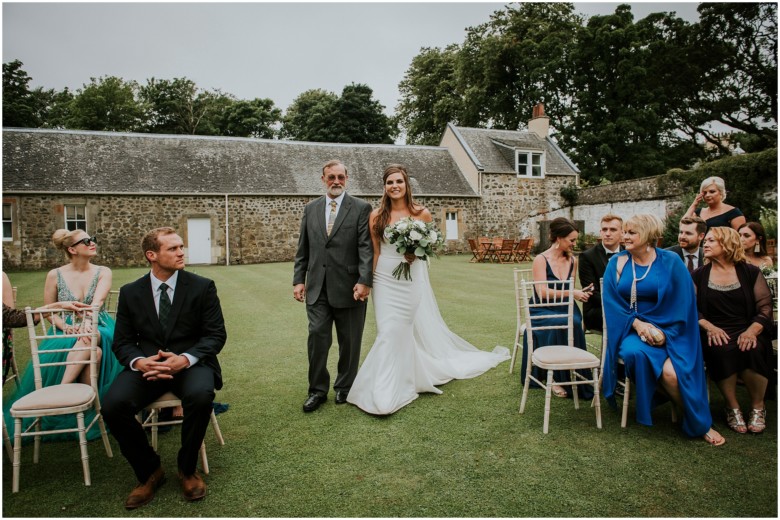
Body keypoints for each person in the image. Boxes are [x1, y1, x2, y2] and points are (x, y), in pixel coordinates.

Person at [347, 165, 509, 415]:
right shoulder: (376, 216)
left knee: (399, 331)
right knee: (388, 331)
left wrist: (415, 254)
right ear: (384, 186)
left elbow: (430, 247)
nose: (394, 186)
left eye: (398, 181)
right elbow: (376, 252)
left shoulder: (421, 214)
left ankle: (393, 387)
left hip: (410, 280)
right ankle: (389, 385)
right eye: (389, 182)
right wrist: (367, 281)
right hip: (384, 280)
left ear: (406, 184)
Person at [102, 227, 227, 509]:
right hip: (148, 368)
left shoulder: (202, 286)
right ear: (152, 255)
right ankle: (149, 471)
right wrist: (139, 361)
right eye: (173, 248)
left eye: (181, 246)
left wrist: (184, 359)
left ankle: (187, 468)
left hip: (191, 364)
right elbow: (122, 342)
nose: (181, 252)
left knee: (200, 395)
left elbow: (215, 335)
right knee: (112, 405)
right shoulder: (132, 292)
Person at [602, 214, 725, 446]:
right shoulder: (616, 263)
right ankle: (698, 421)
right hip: (632, 327)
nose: (624, 237)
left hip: (673, 328)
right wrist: (638, 325)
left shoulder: (671, 261)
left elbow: (685, 301)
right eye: (625, 232)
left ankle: (698, 422)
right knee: (634, 353)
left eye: (631, 232)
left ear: (647, 234)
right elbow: (612, 303)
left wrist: (665, 334)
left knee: (672, 373)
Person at [3, 230, 123, 442]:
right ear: (72, 249)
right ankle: (85, 406)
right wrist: (64, 326)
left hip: (98, 324)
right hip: (65, 328)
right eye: (86, 241)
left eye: (92, 239)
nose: (92, 243)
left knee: (89, 336)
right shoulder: (55, 274)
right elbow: (49, 311)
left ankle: (62, 391)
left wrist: (87, 323)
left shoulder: (103, 271)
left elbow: (98, 302)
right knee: (90, 351)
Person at [293, 160, 374, 412]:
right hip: (317, 287)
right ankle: (317, 390)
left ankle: (344, 387)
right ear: (323, 179)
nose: (336, 181)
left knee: (350, 341)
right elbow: (303, 249)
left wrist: (364, 280)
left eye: (340, 177)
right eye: (331, 177)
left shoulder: (361, 208)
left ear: (347, 178)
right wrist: (298, 279)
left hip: (351, 288)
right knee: (317, 337)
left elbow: (365, 247)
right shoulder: (311, 208)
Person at [693, 227, 773, 434]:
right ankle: (732, 406)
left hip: (748, 326)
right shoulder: (699, 275)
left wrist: (752, 331)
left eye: (712, 240)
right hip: (714, 329)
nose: (705, 244)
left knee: (753, 349)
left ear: (727, 244)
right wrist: (709, 327)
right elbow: (690, 308)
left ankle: (758, 406)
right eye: (705, 241)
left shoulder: (749, 272)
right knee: (722, 349)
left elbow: (765, 307)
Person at [521, 217, 593, 399]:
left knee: (575, 322)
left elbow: (569, 288)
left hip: (565, 307)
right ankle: (555, 378)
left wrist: (580, 293)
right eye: (572, 240)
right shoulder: (540, 259)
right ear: (559, 238)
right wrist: (573, 293)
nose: (574, 244)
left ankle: (577, 374)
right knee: (559, 323)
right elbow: (542, 292)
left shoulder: (573, 261)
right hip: (542, 308)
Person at [579, 213, 623, 332]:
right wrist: (620, 304)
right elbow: (592, 293)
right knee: (625, 318)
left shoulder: (629, 254)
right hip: (597, 310)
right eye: (604, 229)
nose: (607, 233)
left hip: (626, 307)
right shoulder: (587, 257)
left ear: (622, 233)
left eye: (613, 229)